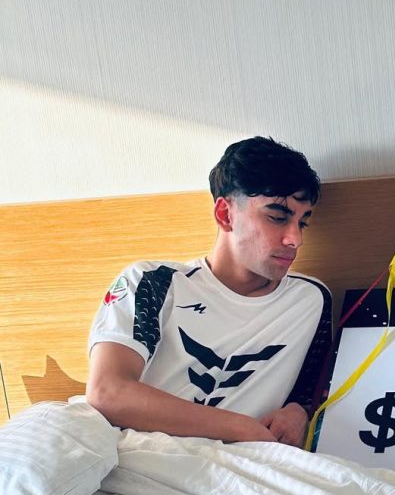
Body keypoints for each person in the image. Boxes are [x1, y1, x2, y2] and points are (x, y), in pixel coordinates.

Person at [85, 137, 332, 447]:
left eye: (303, 222)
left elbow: (313, 390)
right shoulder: (153, 282)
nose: (295, 239)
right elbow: (107, 392)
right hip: (132, 452)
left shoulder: (310, 300)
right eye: (277, 218)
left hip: (236, 466)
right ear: (225, 214)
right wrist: (243, 429)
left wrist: (299, 411)